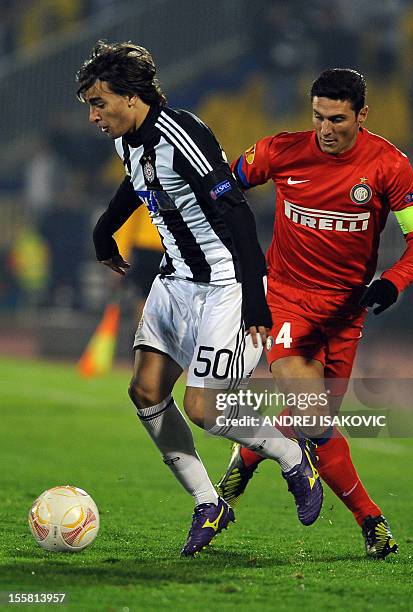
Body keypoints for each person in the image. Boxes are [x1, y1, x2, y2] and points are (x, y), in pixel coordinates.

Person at [75, 41, 323, 557]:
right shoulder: (129, 139)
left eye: (99, 103)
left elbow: (236, 213)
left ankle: (290, 454)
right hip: (174, 280)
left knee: (204, 410)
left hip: (226, 284)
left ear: (131, 96)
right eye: (90, 106)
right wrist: (106, 230)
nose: (94, 115)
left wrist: (256, 298)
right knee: (145, 392)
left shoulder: (180, 133)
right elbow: (137, 184)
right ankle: (209, 503)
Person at [217, 68, 413, 559]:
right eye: (318, 117)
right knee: (316, 418)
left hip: (347, 311)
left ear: (362, 114)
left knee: (313, 418)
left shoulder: (390, 166)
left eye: (337, 119)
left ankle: (247, 456)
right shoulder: (279, 150)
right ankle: (372, 522)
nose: (326, 130)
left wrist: (391, 284)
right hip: (289, 301)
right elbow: (223, 190)